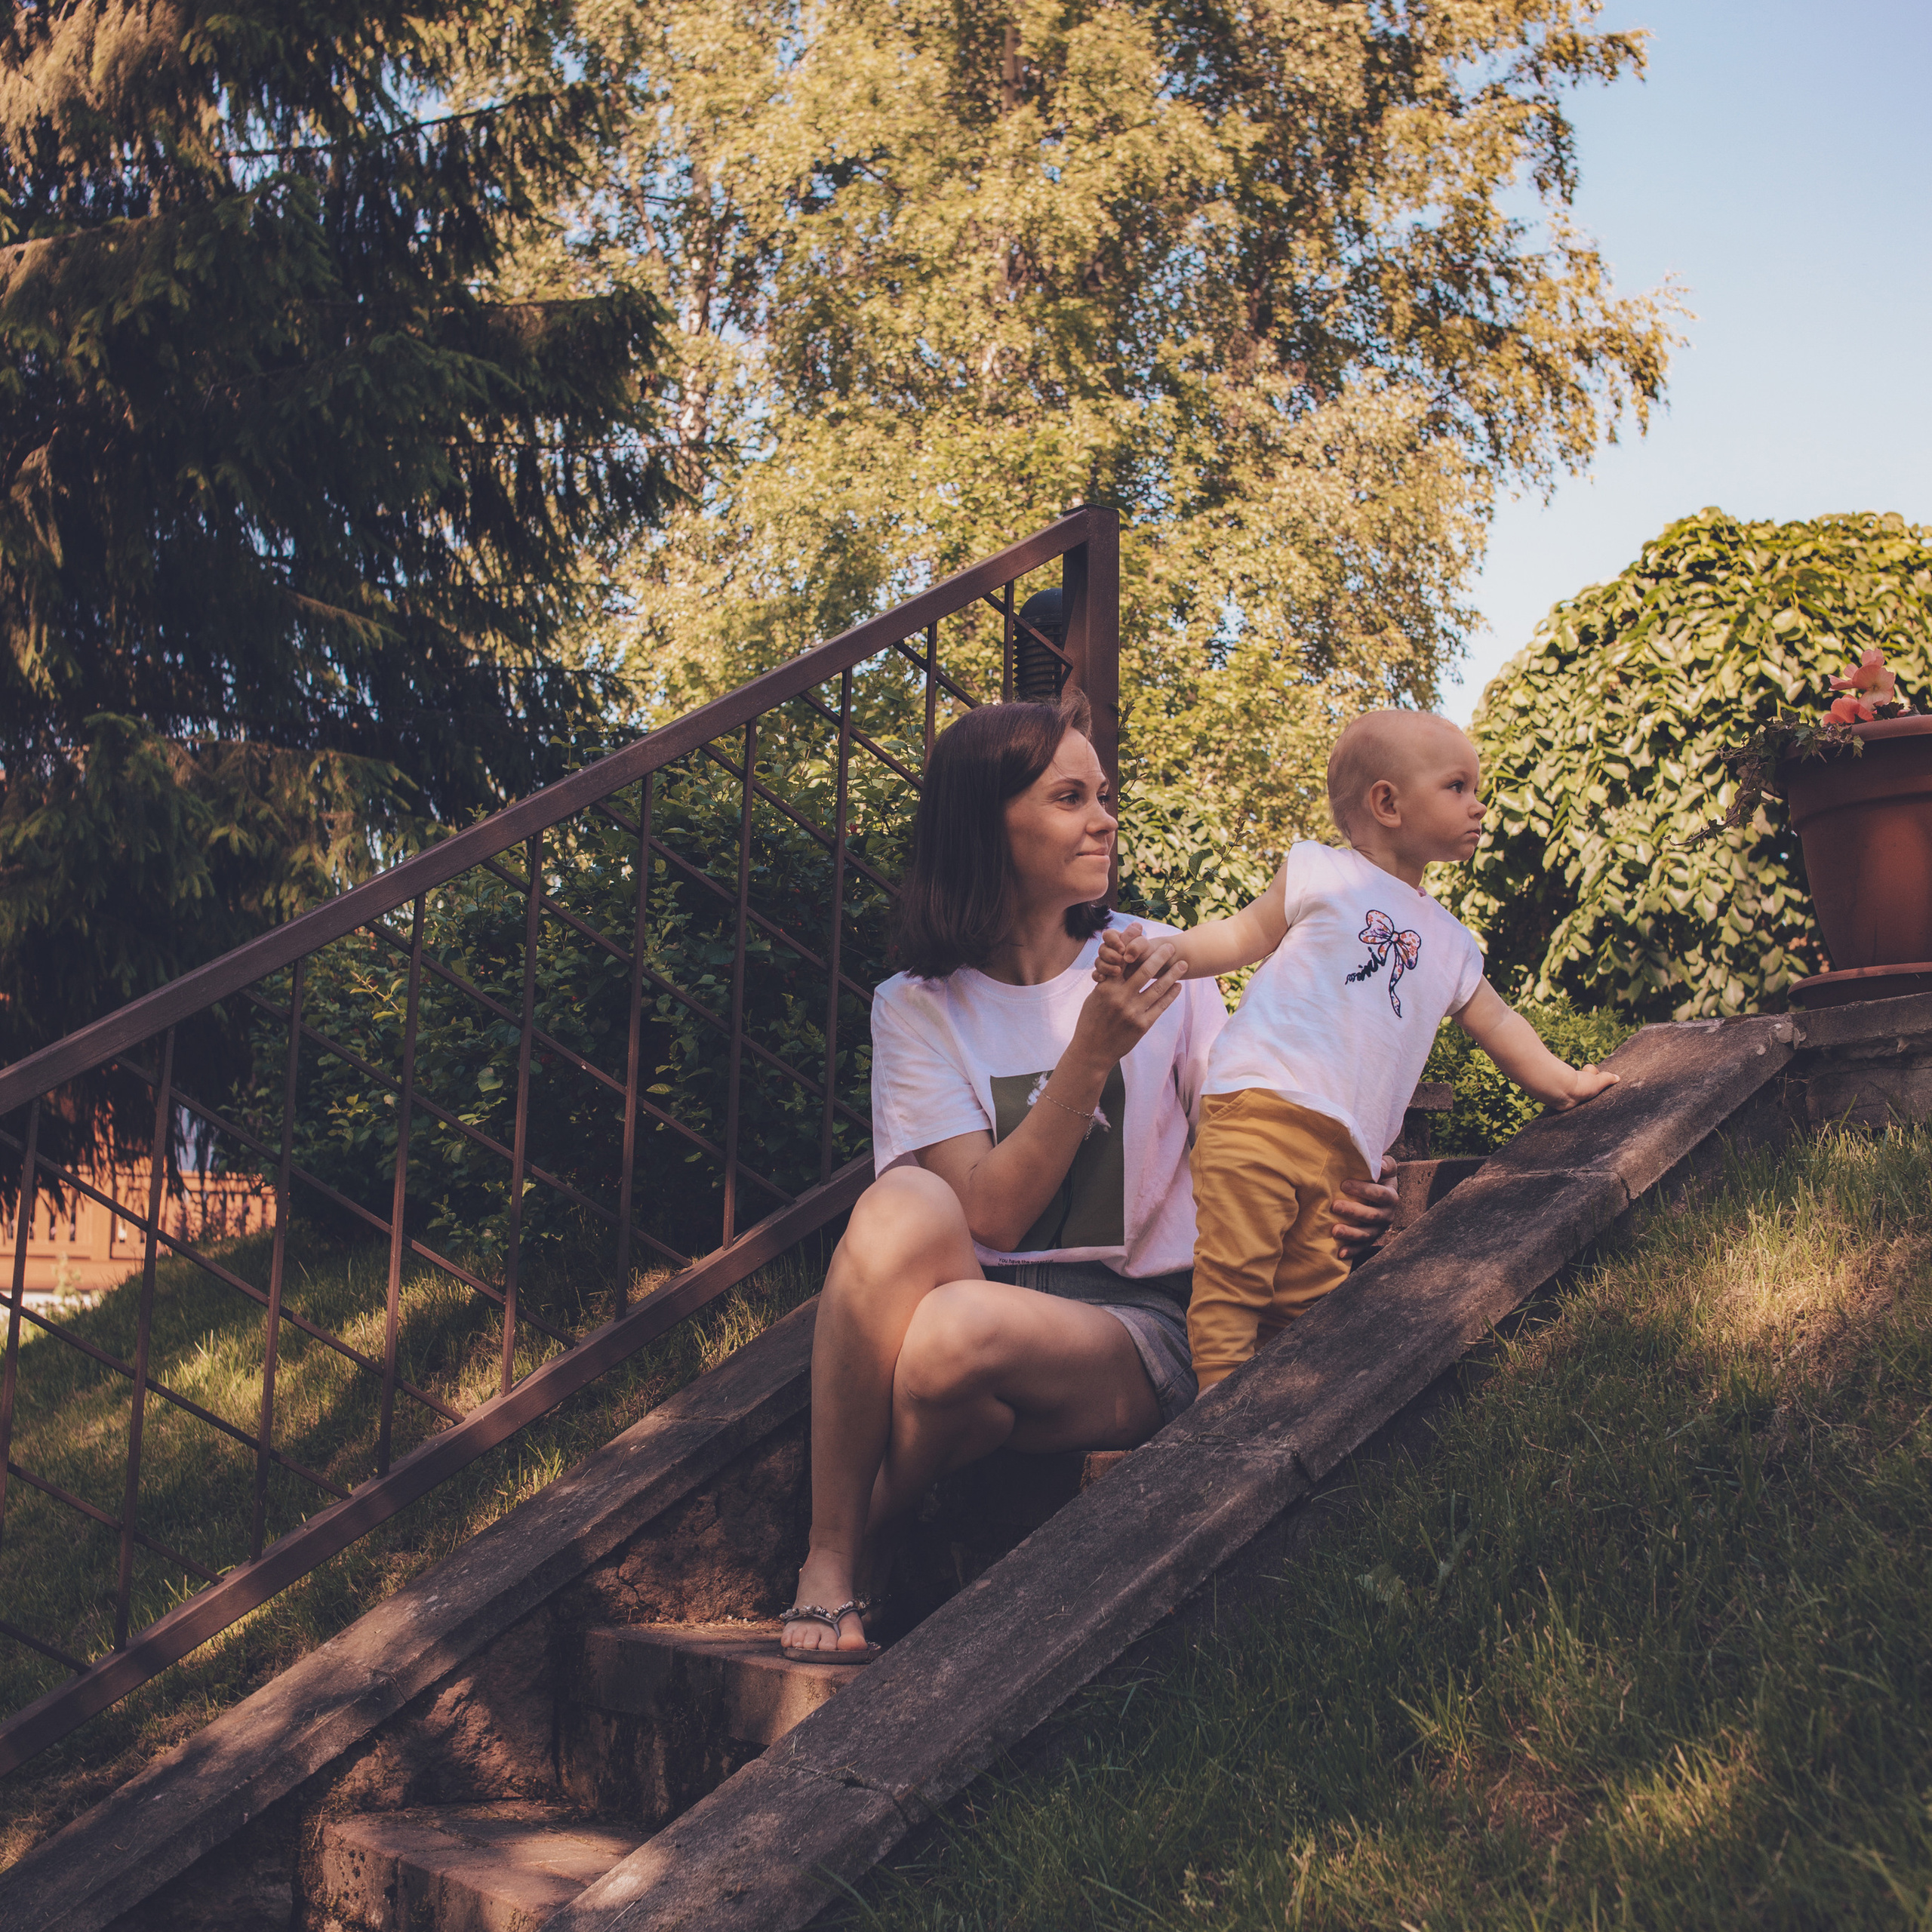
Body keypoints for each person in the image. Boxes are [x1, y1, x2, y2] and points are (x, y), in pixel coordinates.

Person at [780, 695, 1400, 1657]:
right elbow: (989, 1211)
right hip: (981, 1289)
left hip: (1142, 1319)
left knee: (948, 1339)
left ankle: (873, 1531)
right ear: (984, 824)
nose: (1104, 819)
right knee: (901, 1207)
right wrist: (1091, 1051)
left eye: (1103, 795)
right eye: (1069, 798)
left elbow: (1243, 1122)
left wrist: (1340, 1174)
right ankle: (828, 1560)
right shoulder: (916, 1006)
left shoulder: (1161, 960)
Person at [1097, 709, 1620, 1393]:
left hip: (1347, 1147)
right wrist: (1167, 953)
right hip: (1260, 1106)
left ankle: (1282, 1409)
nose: (1478, 805)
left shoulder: (1452, 941)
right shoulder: (1319, 873)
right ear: (1387, 803)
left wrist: (1562, 1084)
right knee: (1235, 1272)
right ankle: (1217, 1403)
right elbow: (1238, 936)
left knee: (1309, 1301)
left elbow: (1499, 1022)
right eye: (1457, 786)